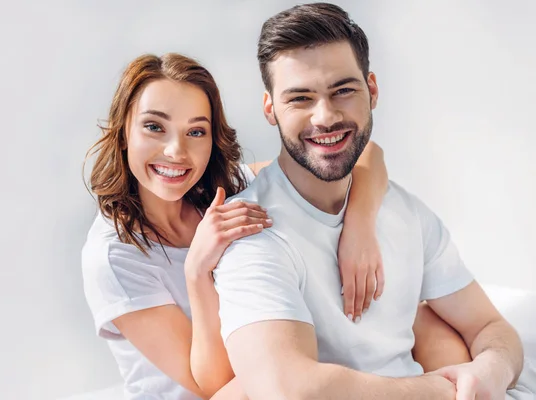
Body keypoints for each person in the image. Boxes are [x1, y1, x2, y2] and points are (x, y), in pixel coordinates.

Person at [81, 53, 470, 400]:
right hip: (226, 391)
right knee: (287, 370)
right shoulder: (114, 256)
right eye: (154, 127)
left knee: (412, 310)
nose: (175, 151)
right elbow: (213, 384)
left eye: (195, 131)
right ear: (123, 133)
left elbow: (363, 154)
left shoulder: (227, 188)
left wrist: (359, 229)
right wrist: (197, 271)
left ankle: (464, 388)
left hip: (272, 367)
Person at [212, 3, 535, 399]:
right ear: (270, 109)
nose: (325, 117)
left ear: (373, 91)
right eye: (300, 98)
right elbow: (289, 392)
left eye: (343, 90)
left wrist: (489, 370)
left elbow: (491, 328)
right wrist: (440, 391)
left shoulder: (407, 215)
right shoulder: (251, 233)